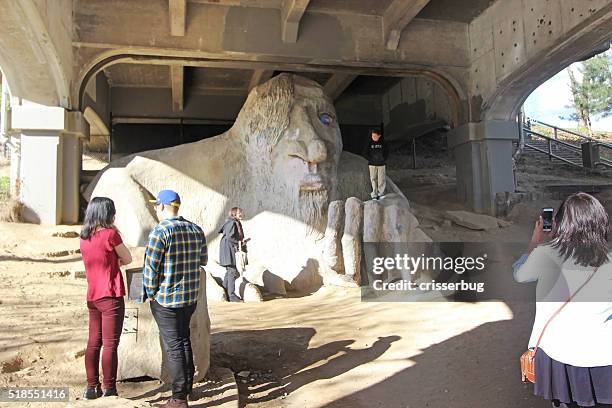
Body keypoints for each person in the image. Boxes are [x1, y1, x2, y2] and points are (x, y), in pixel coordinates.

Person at [514, 192, 612, 408]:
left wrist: (534, 243)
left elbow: (519, 275)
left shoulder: (544, 255)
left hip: (558, 354)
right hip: (604, 356)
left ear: (559, 224)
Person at [142, 190, 208, 408]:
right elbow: (203, 260)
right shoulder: (195, 229)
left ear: (162, 206)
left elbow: (150, 269)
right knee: (184, 340)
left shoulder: (160, 232)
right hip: (189, 298)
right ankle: (187, 389)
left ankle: (179, 398)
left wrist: (151, 293)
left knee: (174, 347)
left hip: (167, 300)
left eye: (156, 206)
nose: (155, 209)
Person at [79, 197, 132, 399]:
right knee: (110, 344)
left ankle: (91, 387)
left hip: (93, 296)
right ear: (107, 214)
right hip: (110, 294)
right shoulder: (111, 235)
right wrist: (115, 260)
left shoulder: (84, 237)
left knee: (94, 342)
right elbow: (127, 258)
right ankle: (109, 388)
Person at [219, 207, 247, 302]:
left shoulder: (232, 222)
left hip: (228, 249)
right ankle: (232, 296)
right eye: (240, 212)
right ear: (234, 214)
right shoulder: (231, 223)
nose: (241, 214)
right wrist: (240, 243)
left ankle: (224, 292)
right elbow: (230, 236)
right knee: (232, 271)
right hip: (229, 250)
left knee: (229, 271)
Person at [363, 129, 388, 200]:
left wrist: (383, 159)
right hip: (372, 164)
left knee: (381, 179)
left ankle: (381, 193)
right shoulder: (369, 142)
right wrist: (370, 159)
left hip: (381, 164)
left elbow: (386, 152)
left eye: (374, 135)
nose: (373, 137)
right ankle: (374, 194)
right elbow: (365, 152)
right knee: (373, 179)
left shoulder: (383, 142)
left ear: (379, 135)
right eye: (372, 135)